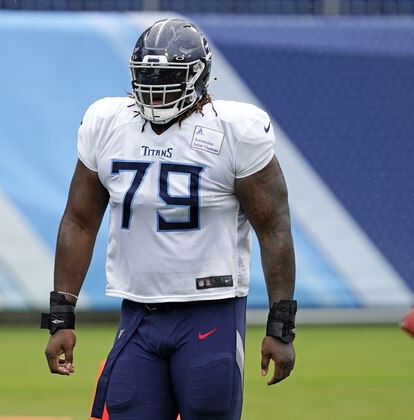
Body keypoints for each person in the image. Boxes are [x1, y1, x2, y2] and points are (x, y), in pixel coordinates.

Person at [42, 18, 297, 420]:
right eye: (146, 75)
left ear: (199, 76)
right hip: (138, 312)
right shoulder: (107, 122)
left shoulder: (236, 130)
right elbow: (78, 220)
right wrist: (61, 315)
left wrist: (281, 324)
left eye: (166, 76)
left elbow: (274, 228)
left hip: (210, 309)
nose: (154, 86)